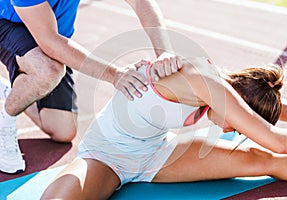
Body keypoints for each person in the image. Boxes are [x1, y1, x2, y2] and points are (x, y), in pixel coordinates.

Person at [41, 57, 287, 199]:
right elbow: (281, 142)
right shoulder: (204, 81)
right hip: (106, 157)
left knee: (263, 160)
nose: (229, 129)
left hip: (157, 153)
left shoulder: (234, 87)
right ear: (240, 104)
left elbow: (282, 110)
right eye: (239, 125)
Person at [0, 0, 182, 174]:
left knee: (63, 131)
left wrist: (164, 52)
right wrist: (115, 74)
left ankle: (16, 93)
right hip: (7, 24)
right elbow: (49, 42)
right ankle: (6, 121)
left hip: (53, 35)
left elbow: (140, 2)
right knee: (49, 70)